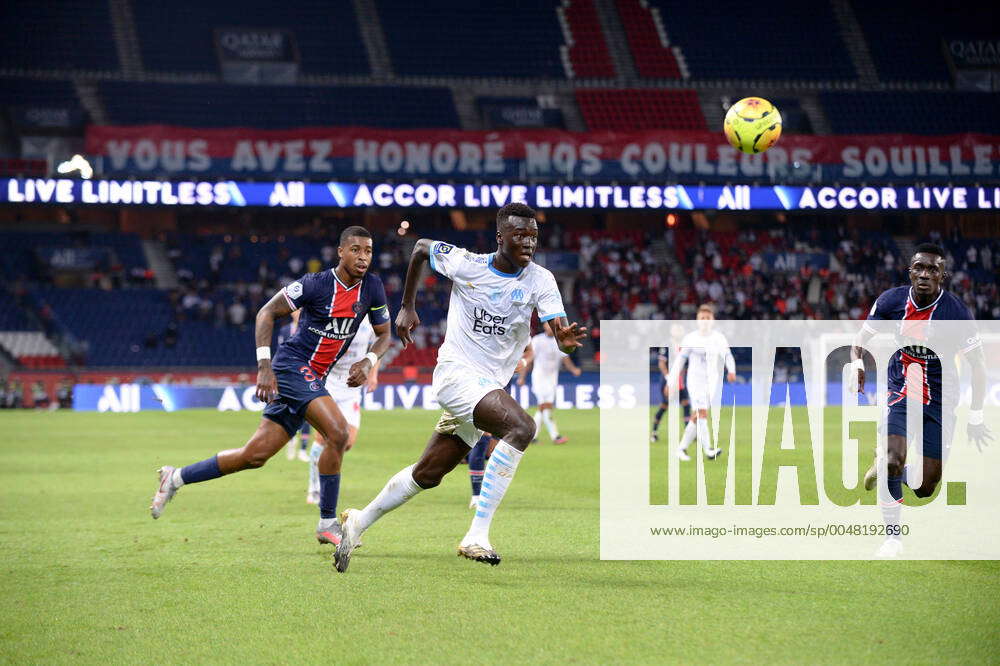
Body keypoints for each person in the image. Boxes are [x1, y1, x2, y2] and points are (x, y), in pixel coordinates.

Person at [333, 202, 587, 572]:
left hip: (487, 387)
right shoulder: (467, 264)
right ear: (500, 237)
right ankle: (476, 535)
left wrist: (564, 340)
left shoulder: (541, 280)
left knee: (428, 474)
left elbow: (560, 335)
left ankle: (358, 521)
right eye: (520, 235)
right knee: (522, 427)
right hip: (456, 376)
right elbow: (420, 248)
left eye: (533, 236)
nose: (529, 243)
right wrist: (407, 306)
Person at [150, 226, 393, 549]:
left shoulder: (372, 288)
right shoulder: (315, 284)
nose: (363, 257)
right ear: (341, 252)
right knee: (338, 433)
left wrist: (369, 361)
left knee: (255, 455)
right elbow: (266, 312)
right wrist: (264, 365)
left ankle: (175, 477)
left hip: (313, 377)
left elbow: (384, 334)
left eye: (368, 251)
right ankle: (327, 523)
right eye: (356, 250)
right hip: (291, 366)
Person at [853, 243, 991, 558]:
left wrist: (976, 415)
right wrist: (858, 363)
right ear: (910, 271)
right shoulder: (891, 301)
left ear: (943, 275)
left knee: (926, 487)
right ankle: (892, 539)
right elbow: (860, 341)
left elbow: (978, 368)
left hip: (941, 400)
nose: (925, 275)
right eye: (919, 268)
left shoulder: (956, 313)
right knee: (892, 459)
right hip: (901, 389)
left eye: (932, 269)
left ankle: (894, 467)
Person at [306, 316, 380, 505]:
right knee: (324, 438)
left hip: (352, 387)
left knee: (347, 442)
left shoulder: (370, 318)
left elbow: (378, 345)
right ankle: (315, 487)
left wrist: (373, 374)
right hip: (329, 382)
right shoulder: (335, 311)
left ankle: (324, 476)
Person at [668, 304, 736, 461]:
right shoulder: (690, 338)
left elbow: (727, 355)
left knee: (697, 415)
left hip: (712, 381)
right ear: (697, 321)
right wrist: (671, 381)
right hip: (695, 381)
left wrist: (731, 370)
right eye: (702, 318)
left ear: (713, 321)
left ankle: (681, 448)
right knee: (702, 412)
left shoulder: (719, 338)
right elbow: (680, 361)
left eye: (708, 318)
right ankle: (708, 449)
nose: (705, 321)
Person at [519, 322, 582, 444]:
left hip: (552, 379)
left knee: (542, 408)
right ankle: (555, 436)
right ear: (544, 326)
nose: (549, 327)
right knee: (545, 407)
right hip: (539, 378)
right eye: (547, 325)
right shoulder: (537, 340)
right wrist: (522, 376)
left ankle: (532, 436)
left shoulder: (559, 341)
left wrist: (573, 369)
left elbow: (565, 358)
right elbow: (529, 358)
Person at [276, 310, 312, 462]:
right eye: (296, 311)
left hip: (307, 374)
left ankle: (303, 449)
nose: (298, 313)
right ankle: (290, 440)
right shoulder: (285, 331)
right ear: (291, 313)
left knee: (309, 414)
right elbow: (280, 351)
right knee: (290, 410)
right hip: (289, 375)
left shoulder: (310, 328)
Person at [651, 324, 689, 443]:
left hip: (680, 379)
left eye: (680, 330)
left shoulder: (684, 345)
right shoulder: (666, 344)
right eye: (677, 330)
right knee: (664, 405)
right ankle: (654, 432)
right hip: (668, 381)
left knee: (686, 403)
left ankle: (689, 434)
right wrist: (669, 378)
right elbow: (661, 363)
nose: (679, 332)